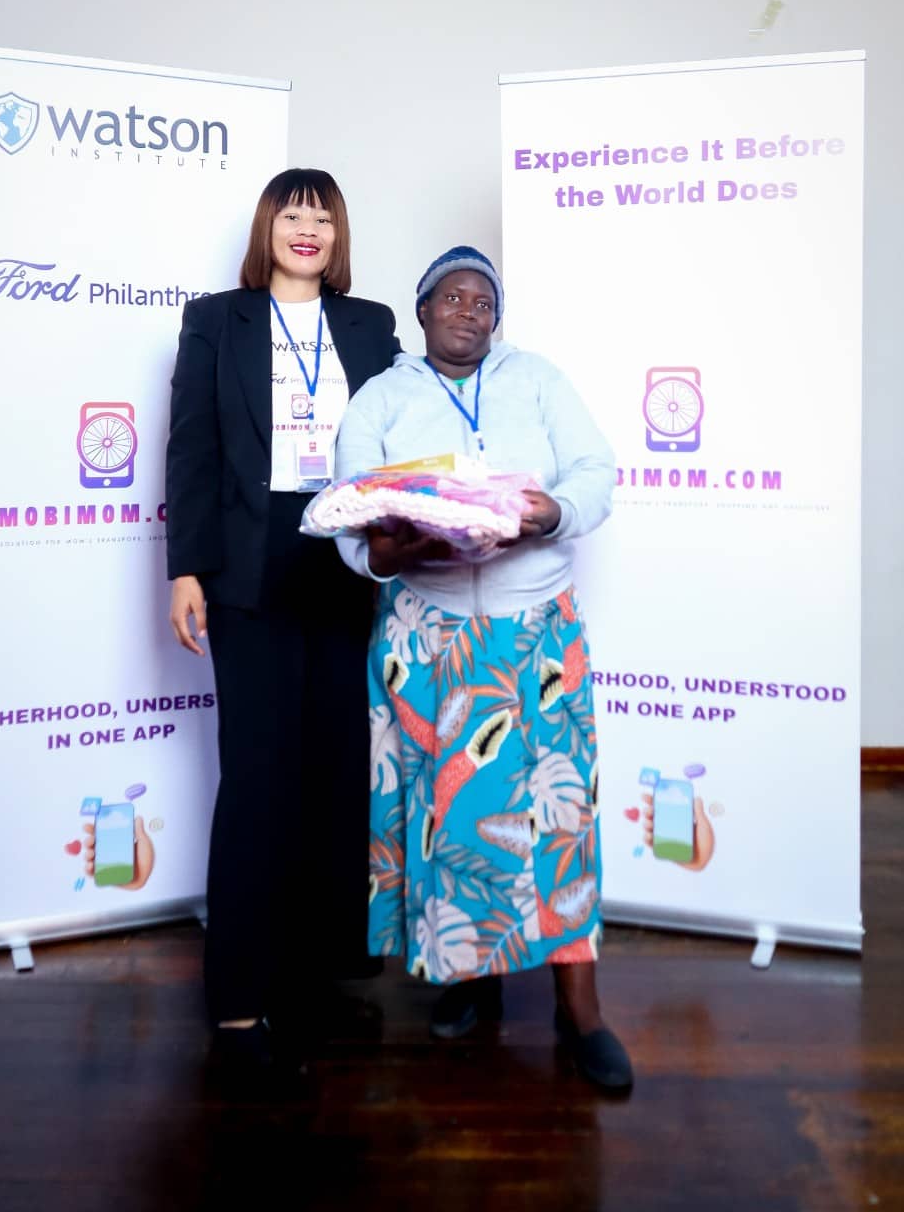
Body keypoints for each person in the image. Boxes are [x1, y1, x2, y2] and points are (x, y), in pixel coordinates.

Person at [334, 246, 633, 1090]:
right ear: (422, 310)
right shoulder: (382, 397)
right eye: (452, 297)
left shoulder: (536, 380)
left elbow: (595, 471)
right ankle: (468, 975)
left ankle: (581, 1012)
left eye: (483, 301)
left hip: (533, 632)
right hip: (426, 637)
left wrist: (550, 513)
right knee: (451, 815)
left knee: (558, 817)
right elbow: (351, 511)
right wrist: (386, 551)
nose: (469, 311)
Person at [165, 168, 399, 1065]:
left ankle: (321, 965)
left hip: (344, 567)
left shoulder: (369, 324)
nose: (308, 229)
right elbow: (192, 447)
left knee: (336, 774)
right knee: (258, 779)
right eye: (292, 214)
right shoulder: (214, 320)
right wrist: (186, 569)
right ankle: (237, 999)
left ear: (338, 236)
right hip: (249, 570)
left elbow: (399, 438)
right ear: (267, 227)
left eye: (323, 217)